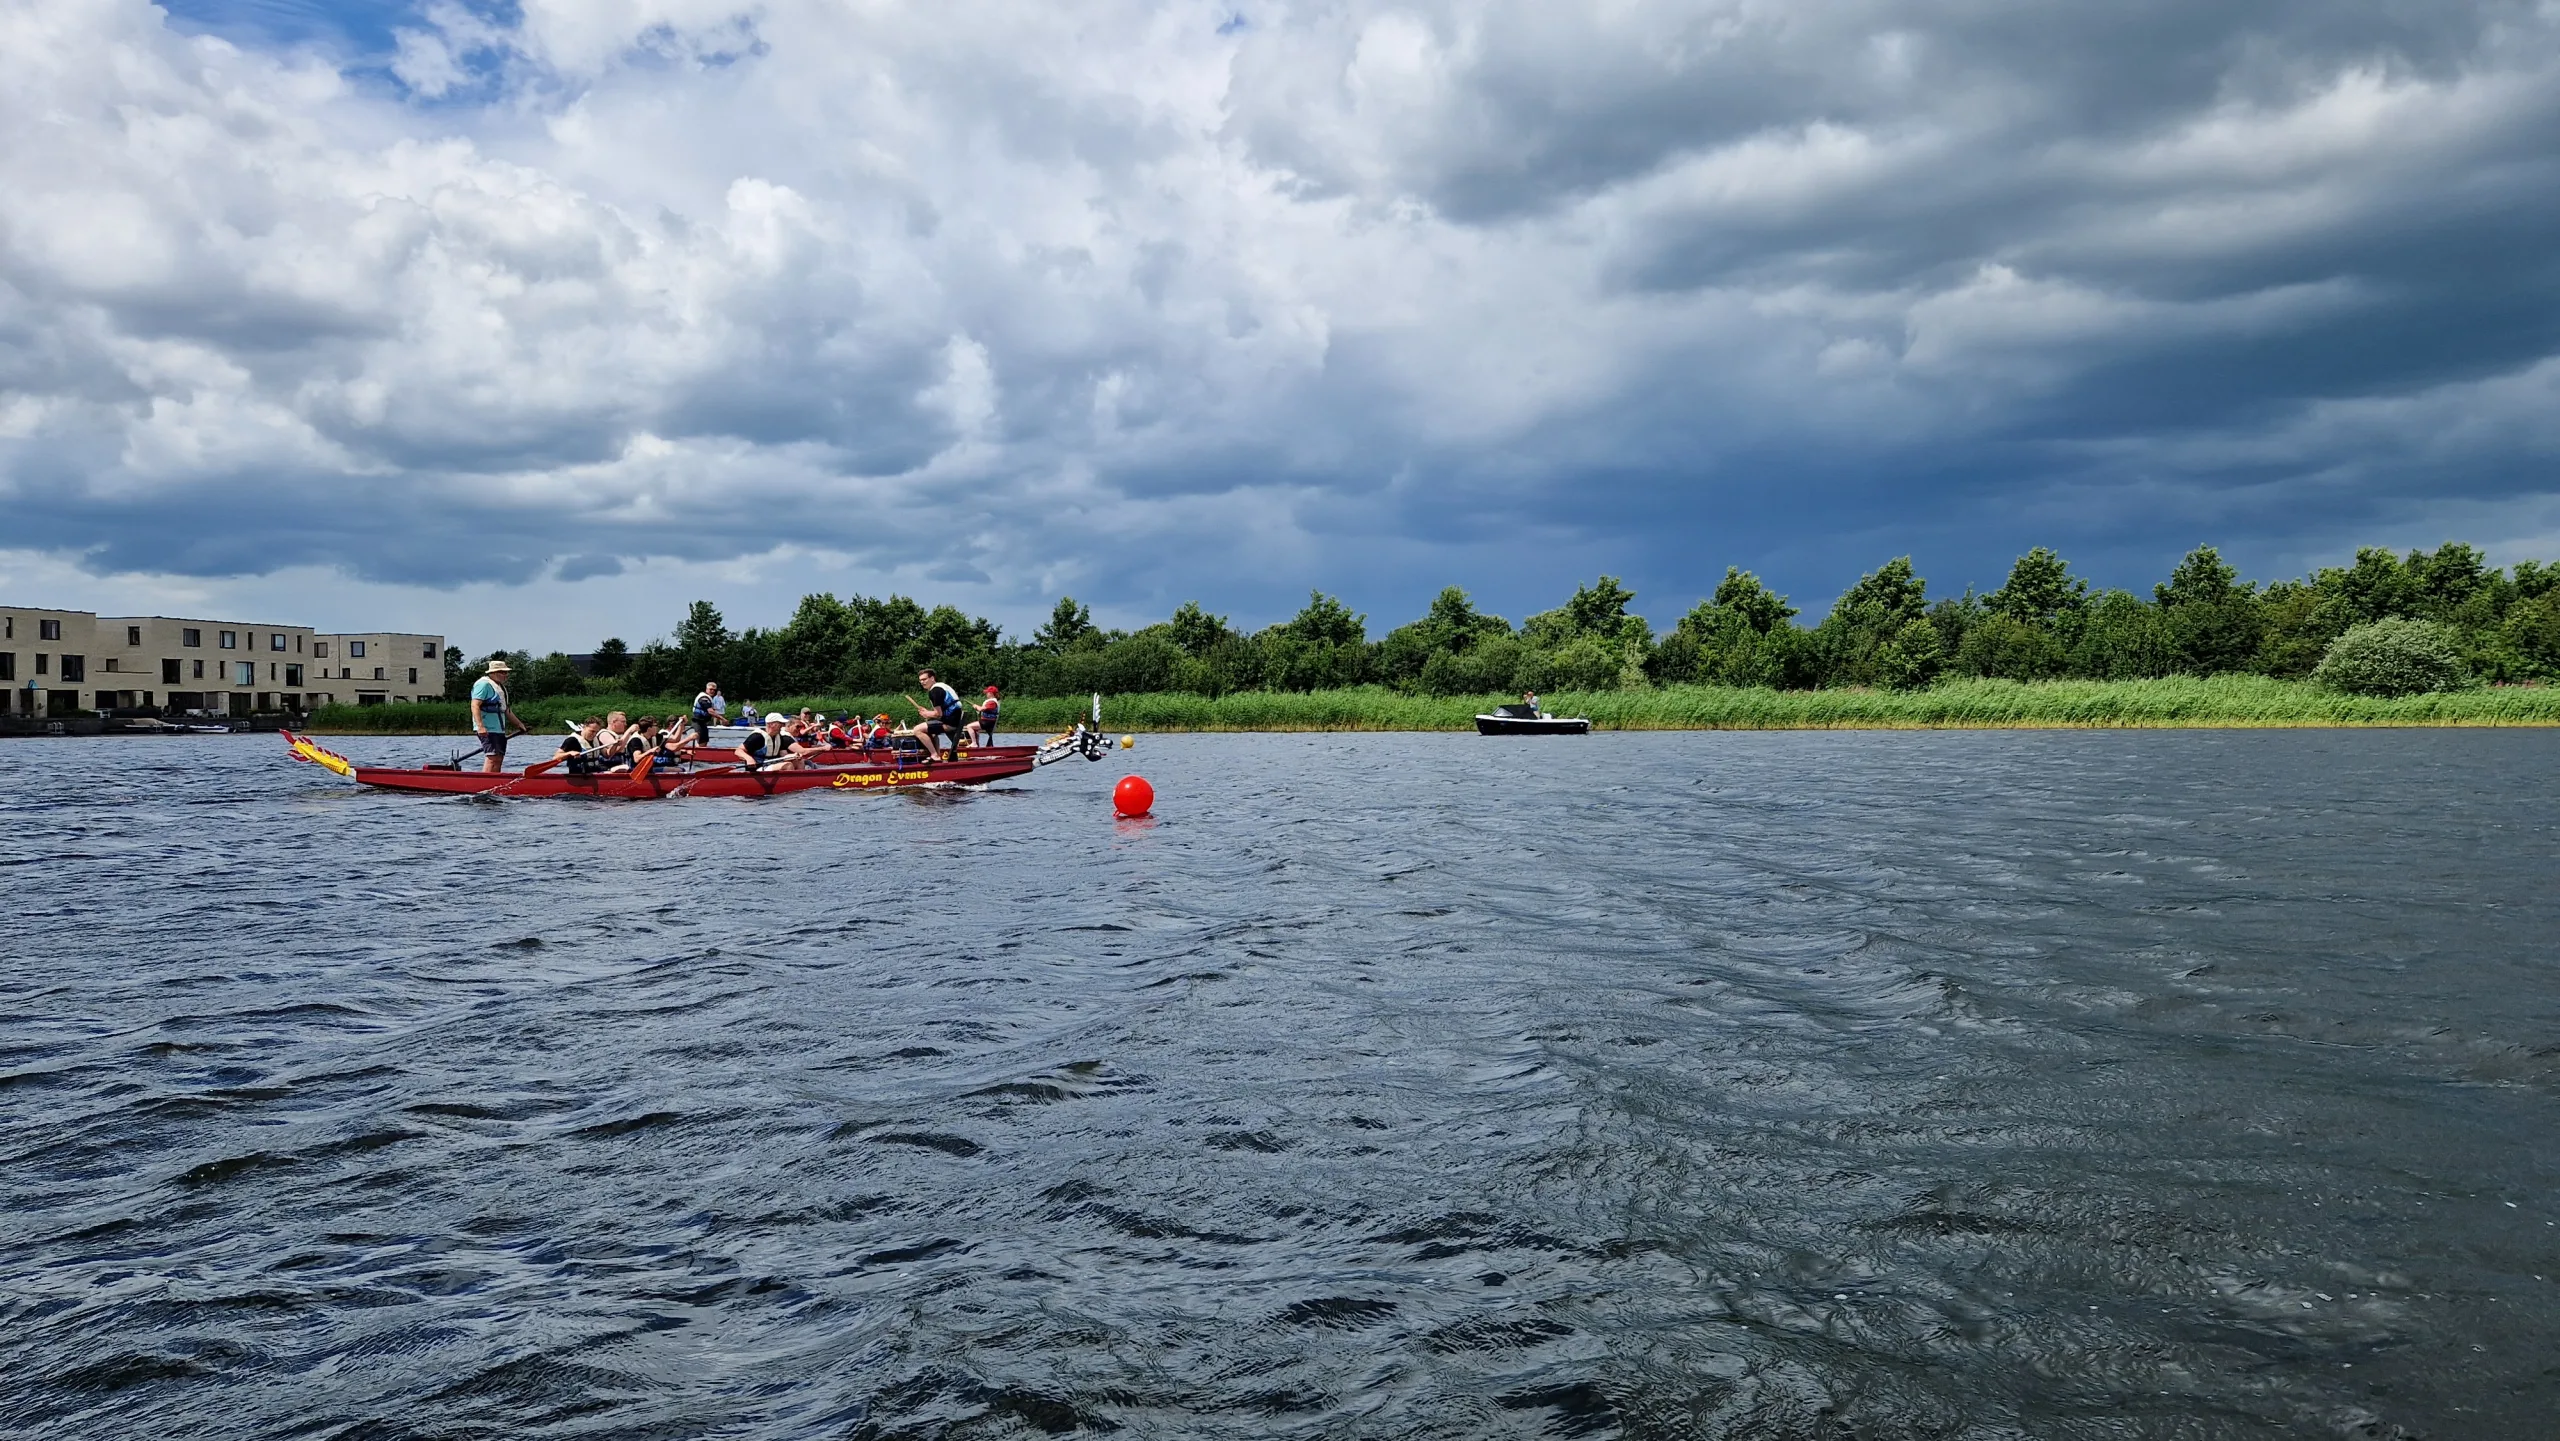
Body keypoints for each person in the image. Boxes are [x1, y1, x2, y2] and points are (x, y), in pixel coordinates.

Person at [471, 659, 522, 773]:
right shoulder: (483, 684)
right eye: (502, 672)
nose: (506, 675)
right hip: (487, 728)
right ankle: (485, 785)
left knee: (498, 758)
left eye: (506, 672)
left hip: (499, 729)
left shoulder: (500, 687)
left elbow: (506, 710)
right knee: (492, 757)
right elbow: (475, 706)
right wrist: (480, 726)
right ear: (493, 673)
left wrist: (519, 725)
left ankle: (496, 784)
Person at [908, 669, 965, 762]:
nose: (922, 682)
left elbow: (938, 714)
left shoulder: (935, 691)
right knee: (931, 730)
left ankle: (934, 755)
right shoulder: (942, 686)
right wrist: (928, 713)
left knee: (917, 730)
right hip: (954, 720)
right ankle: (937, 756)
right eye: (920, 680)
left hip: (950, 724)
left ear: (932, 678)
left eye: (924, 679)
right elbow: (940, 712)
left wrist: (926, 714)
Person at [733, 713, 807, 772]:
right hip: (758, 768)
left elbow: (783, 754)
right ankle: (790, 786)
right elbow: (738, 751)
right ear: (770, 724)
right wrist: (749, 759)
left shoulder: (779, 737)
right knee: (787, 765)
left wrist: (794, 756)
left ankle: (800, 783)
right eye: (780, 723)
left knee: (799, 761)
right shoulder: (757, 737)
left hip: (772, 765)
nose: (782, 726)